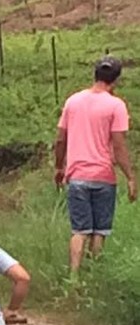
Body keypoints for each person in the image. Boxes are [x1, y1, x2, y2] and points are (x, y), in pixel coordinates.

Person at [54, 55, 137, 275]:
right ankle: (94, 274)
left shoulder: (73, 101)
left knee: (79, 230)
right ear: (116, 79)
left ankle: (73, 277)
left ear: (95, 74)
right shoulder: (116, 105)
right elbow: (118, 146)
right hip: (103, 176)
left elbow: (60, 139)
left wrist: (59, 167)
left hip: (77, 176)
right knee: (99, 231)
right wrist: (130, 176)